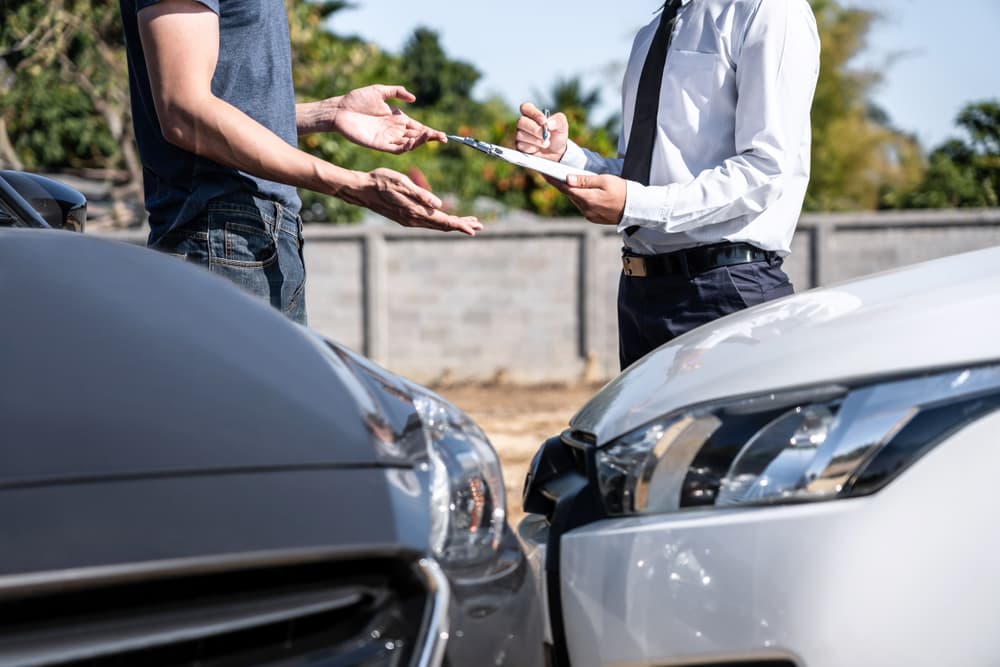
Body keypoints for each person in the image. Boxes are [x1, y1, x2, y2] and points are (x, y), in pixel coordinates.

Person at [119, 0, 482, 324]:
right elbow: (185, 112)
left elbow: (229, 104)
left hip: (264, 236)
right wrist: (351, 184)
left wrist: (329, 112)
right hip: (219, 232)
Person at [516, 0, 820, 369]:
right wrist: (566, 157)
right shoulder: (654, 31)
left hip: (724, 291)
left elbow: (766, 168)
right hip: (639, 295)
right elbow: (644, 176)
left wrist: (634, 204)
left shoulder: (768, 9)